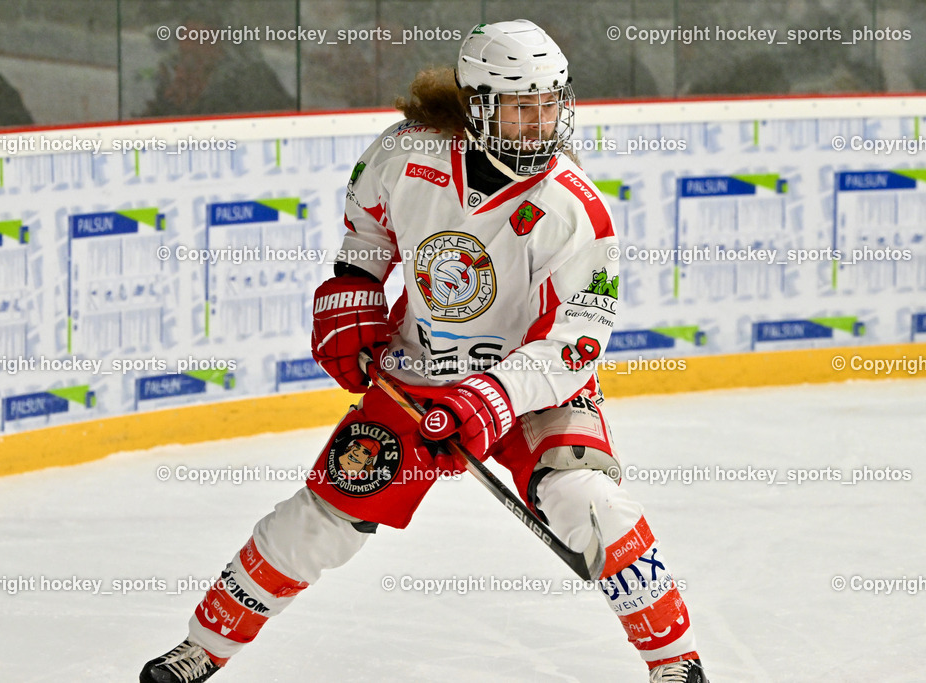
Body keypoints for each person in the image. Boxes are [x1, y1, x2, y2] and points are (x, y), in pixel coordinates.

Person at [141, 20, 708, 683]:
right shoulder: (404, 156)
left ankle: (676, 662)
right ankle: (202, 646)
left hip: (529, 389)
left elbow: (572, 345)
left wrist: (493, 398)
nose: (541, 124)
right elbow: (366, 238)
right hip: (418, 376)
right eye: (522, 107)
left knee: (591, 504)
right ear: (478, 105)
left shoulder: (573, 208)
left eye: (551, 104)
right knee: (322, 517)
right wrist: (350, 297)